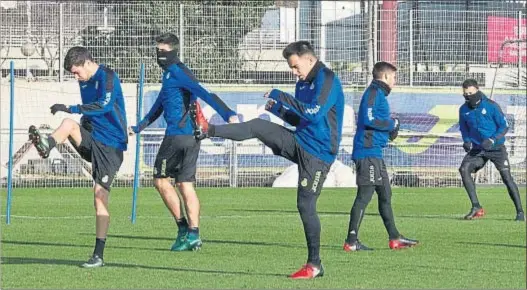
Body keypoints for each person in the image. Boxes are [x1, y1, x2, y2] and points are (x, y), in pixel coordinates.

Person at [196, 41, 343, 279]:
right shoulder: (302, 82)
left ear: (308, 59)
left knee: (305, 206)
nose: (294, 72)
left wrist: (279, 95)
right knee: (257, 126)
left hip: (319, 154)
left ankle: (314, 265)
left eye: (295, 66)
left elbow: (314, 114)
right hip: (300, 142)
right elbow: (299, 121)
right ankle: (207, 130)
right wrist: (279, 110)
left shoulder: (327, 79)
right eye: (291, 68)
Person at [129, 33, 239, 251]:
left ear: (173, 51)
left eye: (163, 51)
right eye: (157, 50)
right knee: (184, 184)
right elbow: (159, 105)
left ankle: (182, 228)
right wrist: (138, 127)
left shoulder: (179, 72)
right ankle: (194, 234)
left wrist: (228, 113)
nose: (159, 55)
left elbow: (203, 93)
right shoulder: (169, 75)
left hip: (177, 136)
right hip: (191, 138)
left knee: (160, 181)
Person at [28, 46, 128, 268]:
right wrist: (83, 120)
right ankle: (47, 145)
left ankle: (98, 255)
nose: (75, 76)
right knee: (68, 125)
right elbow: (90, 114)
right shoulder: (83, 81)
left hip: (111, 147)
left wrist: (71, 107)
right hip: (93, 140)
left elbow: (104, 105)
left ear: (87, 62)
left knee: (99, 197)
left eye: (76, 72)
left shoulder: (108, 76)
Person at [343, 61, 419, 252]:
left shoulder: (380, 96)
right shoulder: (373, 93)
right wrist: (391, 124)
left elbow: (378, 122)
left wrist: (390, 131)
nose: (395, 80)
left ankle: (394, 237)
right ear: (385, 76)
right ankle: (351, 241)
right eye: (393, 76)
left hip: (375, 152)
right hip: (367, 152)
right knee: (364, 195)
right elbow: (368, 119)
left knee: (385, 193)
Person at [458, 79, 524, 221]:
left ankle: (520, 212)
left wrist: (493, 139)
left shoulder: (491, 106)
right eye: (465, 94)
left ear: (477, 90)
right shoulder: (463, 110)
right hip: (477, 149)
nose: (468, 96)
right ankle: (476, 207)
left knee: (507, 178)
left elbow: (504, 126)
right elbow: (464, 128)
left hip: (496, 148)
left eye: (471, 93)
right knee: (464, 169)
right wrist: (467, 141)